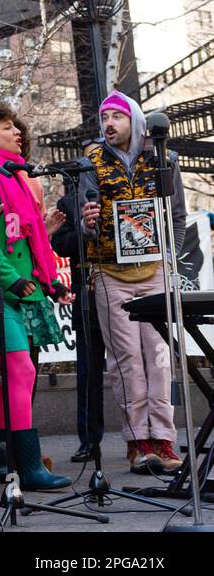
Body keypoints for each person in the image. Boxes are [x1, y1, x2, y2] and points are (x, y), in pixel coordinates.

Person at [0, 104, 74, 491]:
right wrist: (11, 279)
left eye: (17, 128)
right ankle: (28, 465)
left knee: (15, 375)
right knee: (21, 371)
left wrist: (49, 279)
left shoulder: (18, 177)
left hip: (18, 288)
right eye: (8, 128)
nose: (17, 133)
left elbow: (29, 237)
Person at [80, 90, 185, 474]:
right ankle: (138, 441)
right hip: (110, 273)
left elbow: (177, 215)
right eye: (103, 118)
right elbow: (82, 223)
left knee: (159, 358)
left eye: (116, 117)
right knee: (127, 361)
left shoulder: (163, 158)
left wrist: (171, 261)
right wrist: (87, 223)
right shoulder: (89, 162)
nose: (108, 124)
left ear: (134, 120)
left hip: (154, 270)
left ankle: (165, 439)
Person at [51, 183, 105, 463]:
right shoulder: (70, 201)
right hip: (90, 292)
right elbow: (59, 244)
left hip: (130, 286)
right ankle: (89, 439)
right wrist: (84, 228)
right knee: (89, 370)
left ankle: (147, 439)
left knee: (136, 365)